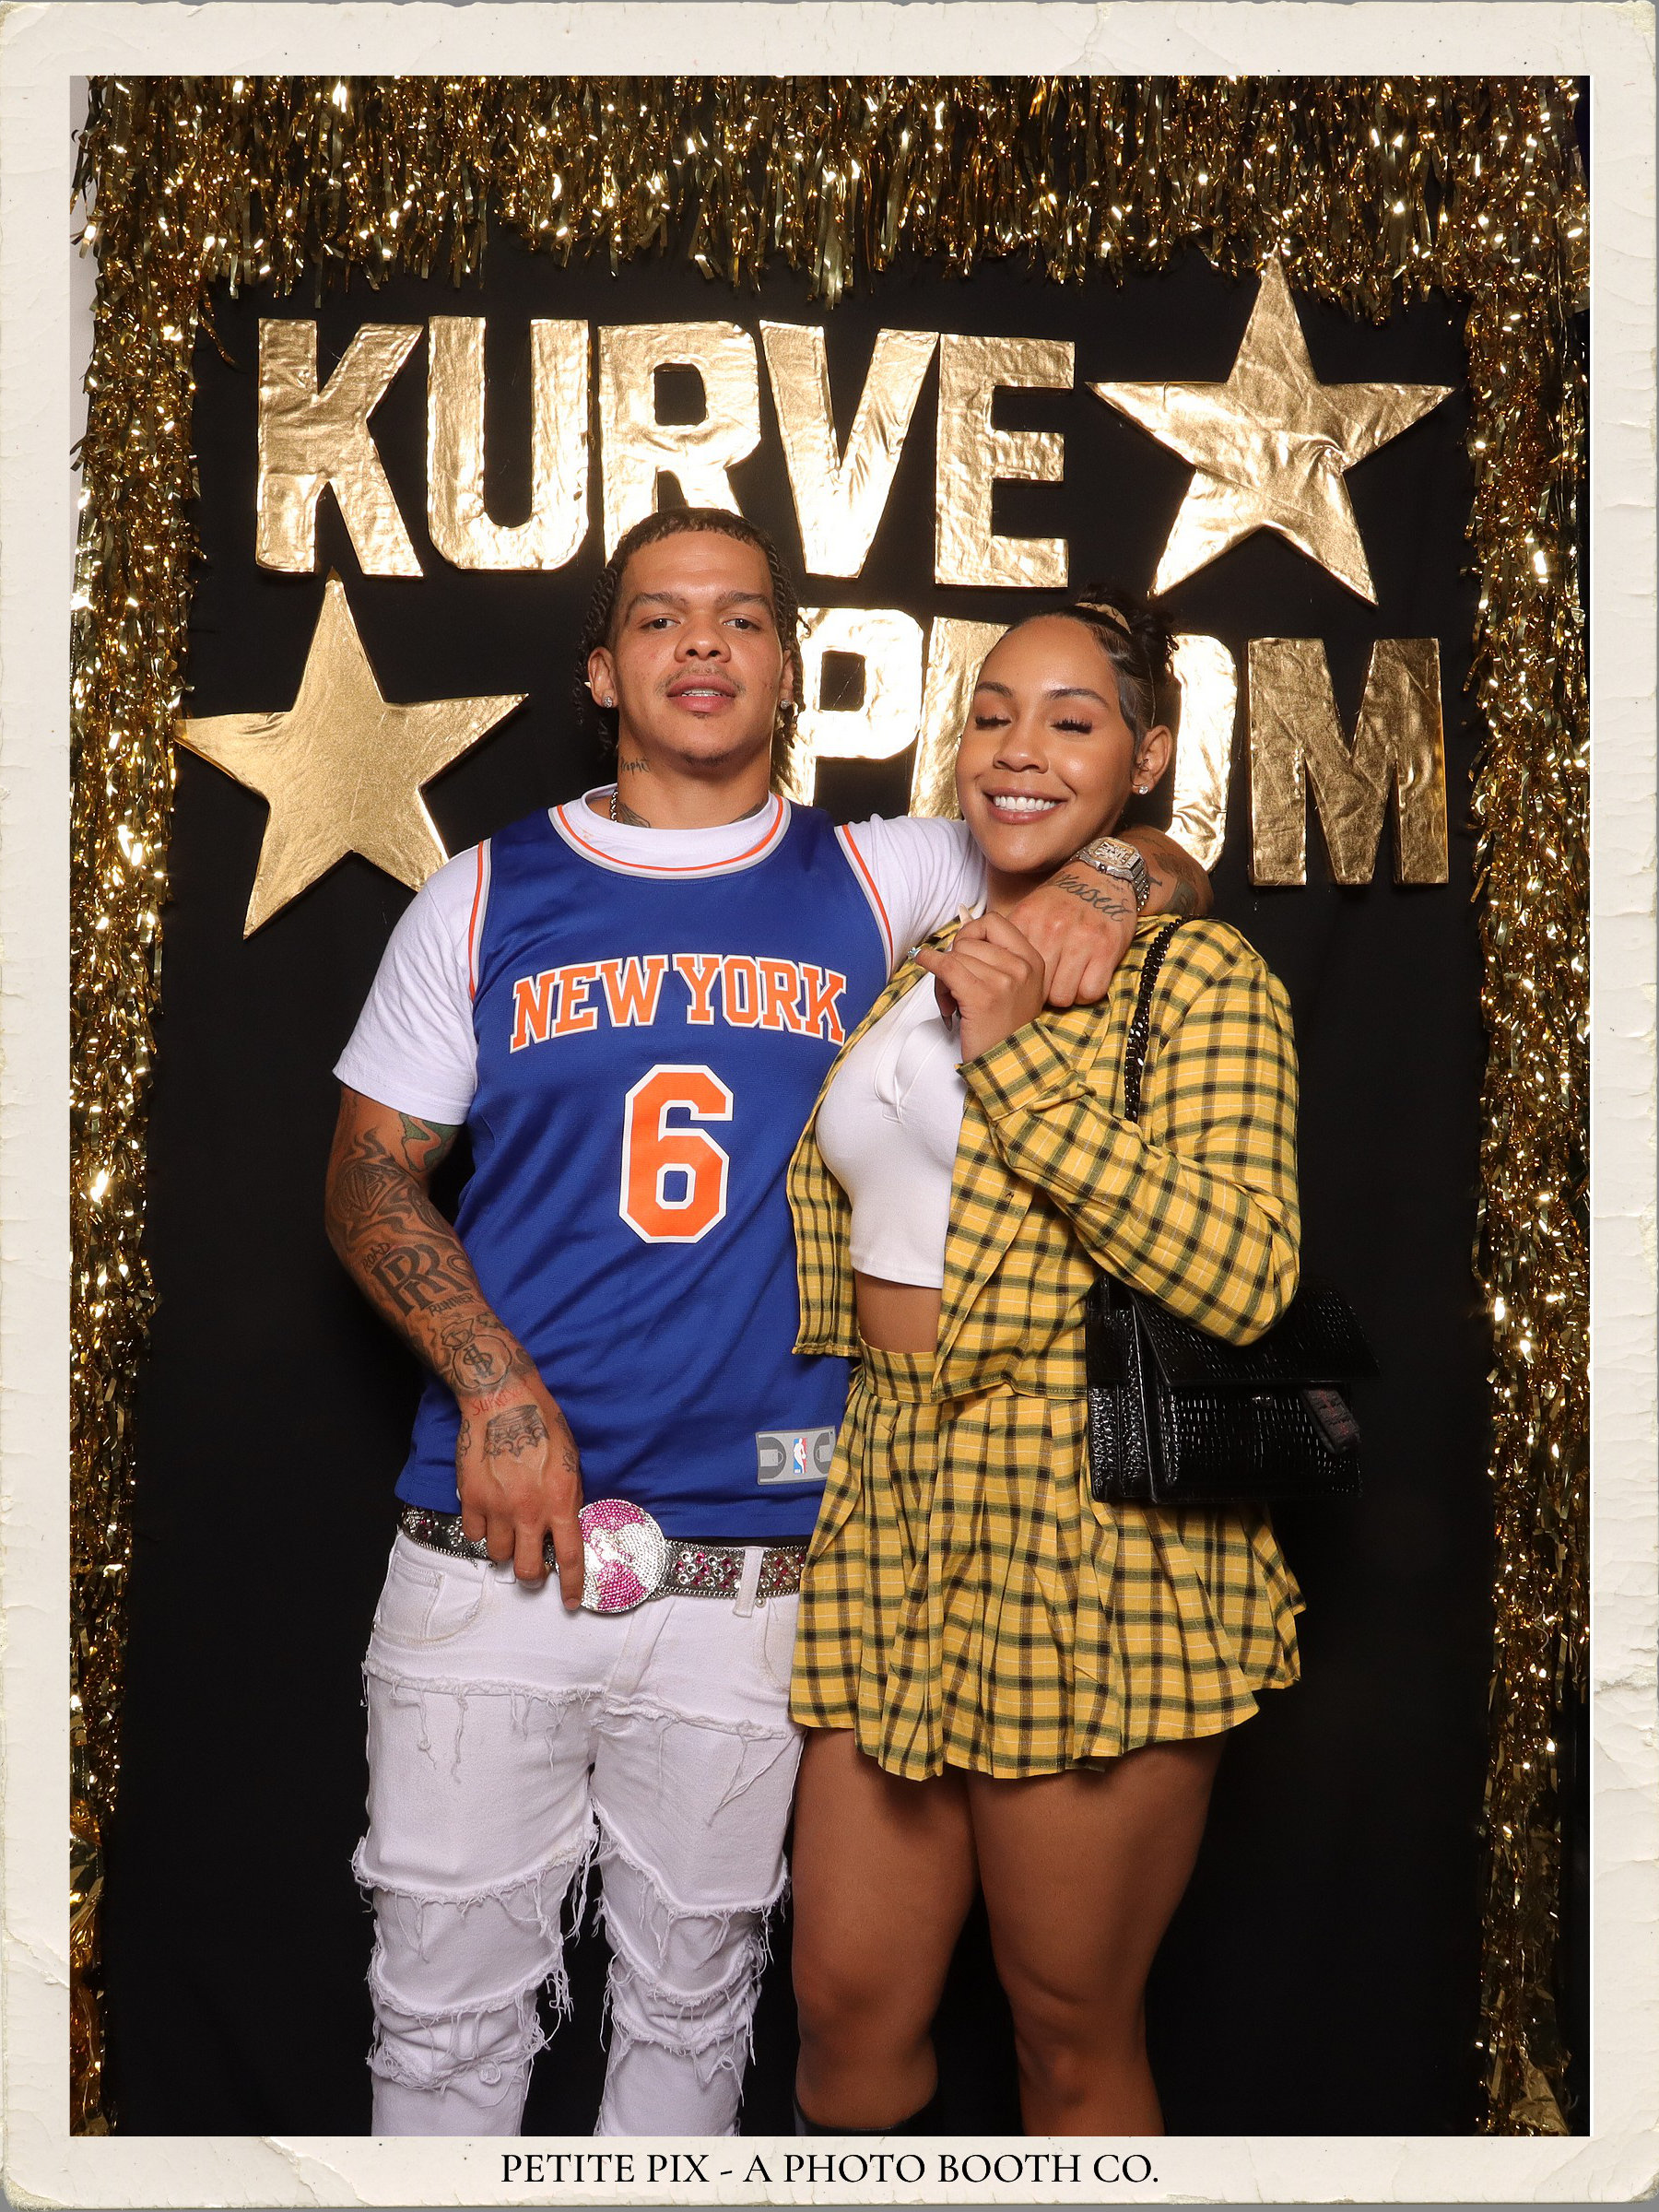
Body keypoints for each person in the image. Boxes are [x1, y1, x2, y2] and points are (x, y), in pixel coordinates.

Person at [324, 510, 1209, 2137]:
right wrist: (494, 1386)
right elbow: (368, 1178)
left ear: (791, 668)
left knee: (696, 2022)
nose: (703, 644)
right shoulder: (482, 892)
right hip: (491, 1537)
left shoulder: (888, 873)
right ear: (604, 671)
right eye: (661, 617)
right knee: (438, 2028)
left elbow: (1155, 852)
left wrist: (1105, 878)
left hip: (765, 1564)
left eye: (741, 617)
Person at [785, 591, 1303, 2136]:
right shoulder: (926, 956)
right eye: (993, 714)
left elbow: (1247, 1277)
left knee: (1070, 2035)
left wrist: (1017, 1061)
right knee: (843, 2010)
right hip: (889, 1497)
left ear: (1144, 760)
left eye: (1071, 723)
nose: (1018, 750)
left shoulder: (1197, 980)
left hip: (1088, 1518)